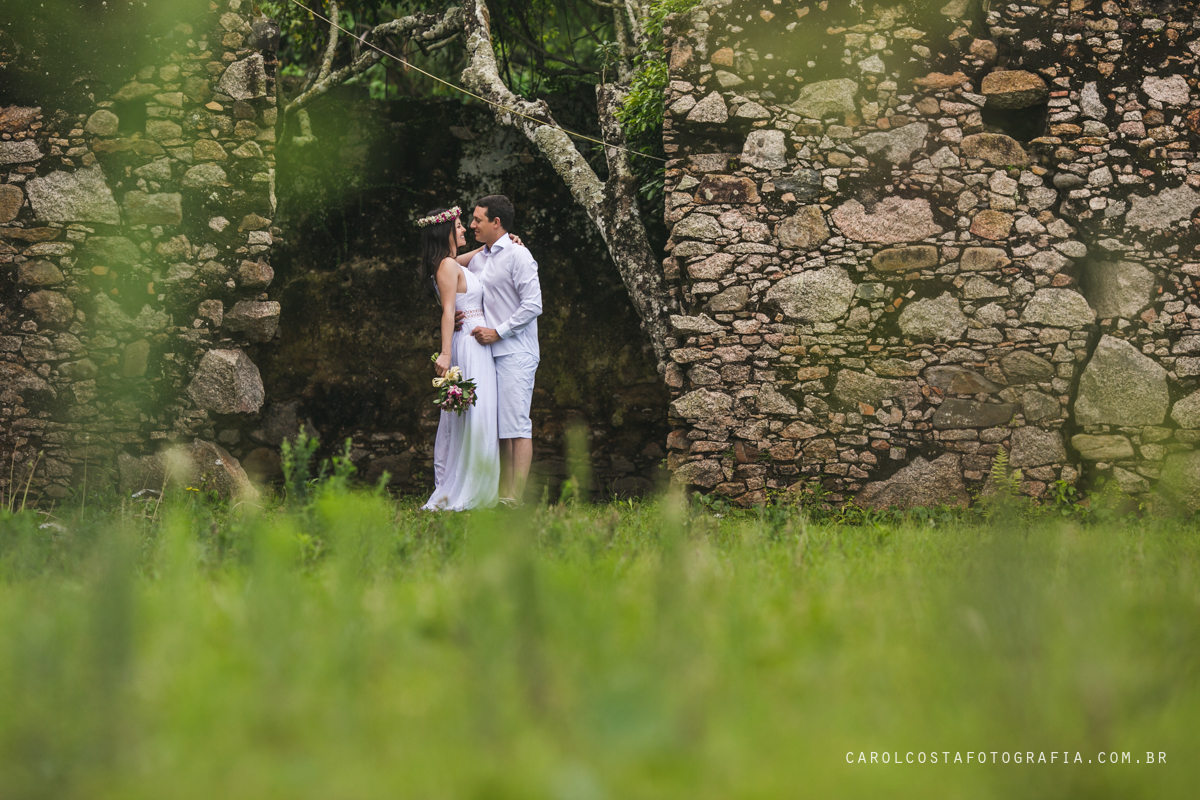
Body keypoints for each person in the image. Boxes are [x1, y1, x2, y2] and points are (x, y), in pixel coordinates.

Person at [420, 206, 499, 512]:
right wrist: (446, 353)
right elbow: (448, 311)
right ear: (445, 232)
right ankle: (467, 488)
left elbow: (477, 256)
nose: (465, 228)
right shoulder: (446, 267)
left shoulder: (452, 263)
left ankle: (479, 484)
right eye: (458, 225)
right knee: (473, 417)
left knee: (478, 415)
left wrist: (500, 242)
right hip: (468, 342)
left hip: (475, 341)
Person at [464, 195, 542, 506]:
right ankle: (501, 494)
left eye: (478, 220)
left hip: (515, 351)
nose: (472, 226)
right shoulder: (480, 259)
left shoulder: (519, 256)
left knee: (517, 424)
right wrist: (463, 311)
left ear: (497, 222)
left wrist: (498, 331)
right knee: (499, 428)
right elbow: (443, 269)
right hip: (486, 355)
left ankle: (515, 498)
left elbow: (533, 305)